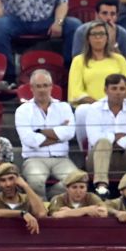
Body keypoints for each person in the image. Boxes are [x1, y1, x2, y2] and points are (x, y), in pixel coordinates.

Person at [15, 69, 78, 199]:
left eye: (45, 85)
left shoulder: (64, 107)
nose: (42, 90)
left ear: (51, 87)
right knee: (36, 180)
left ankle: (52, 199)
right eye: (38, 86)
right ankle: (41, 207)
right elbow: (29, 140)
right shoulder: (22, 110)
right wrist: (59, 135)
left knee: (75, 180)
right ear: (31, 88)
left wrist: (39, 131)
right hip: (34, 159)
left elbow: (70, 133)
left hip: (61, 159)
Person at [69, 21, 126, 108]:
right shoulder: (78, 61)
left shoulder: (119, 59)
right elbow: (76, 92)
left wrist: (113, 104)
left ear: (107, 38)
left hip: (117, 106)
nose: (98, 37)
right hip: (89, 107)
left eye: (101, 34)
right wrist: (100, 106)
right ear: (88, 39)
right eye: (94, 34)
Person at [0, 163, 43, 235]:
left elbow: (41, 213)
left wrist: (25, 186)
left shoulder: (27, 199)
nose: (8, 184)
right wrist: (22, 213)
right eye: (3, 180)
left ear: (18, 180)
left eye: (11, 179)